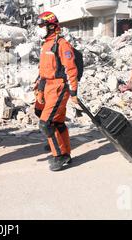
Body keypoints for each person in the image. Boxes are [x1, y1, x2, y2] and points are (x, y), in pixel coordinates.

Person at [35, 11, 79, 172]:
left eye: (41, 26)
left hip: (59, 87)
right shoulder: (46, 44)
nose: (39, 29)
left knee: (46, 123)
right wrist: (40, 89)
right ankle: (65, 152)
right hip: (47, 86)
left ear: (52, 26)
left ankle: (60, 156)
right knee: (57, 122)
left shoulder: (61, 44)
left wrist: (73, 91)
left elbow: (71, 69)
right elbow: (43, 70)